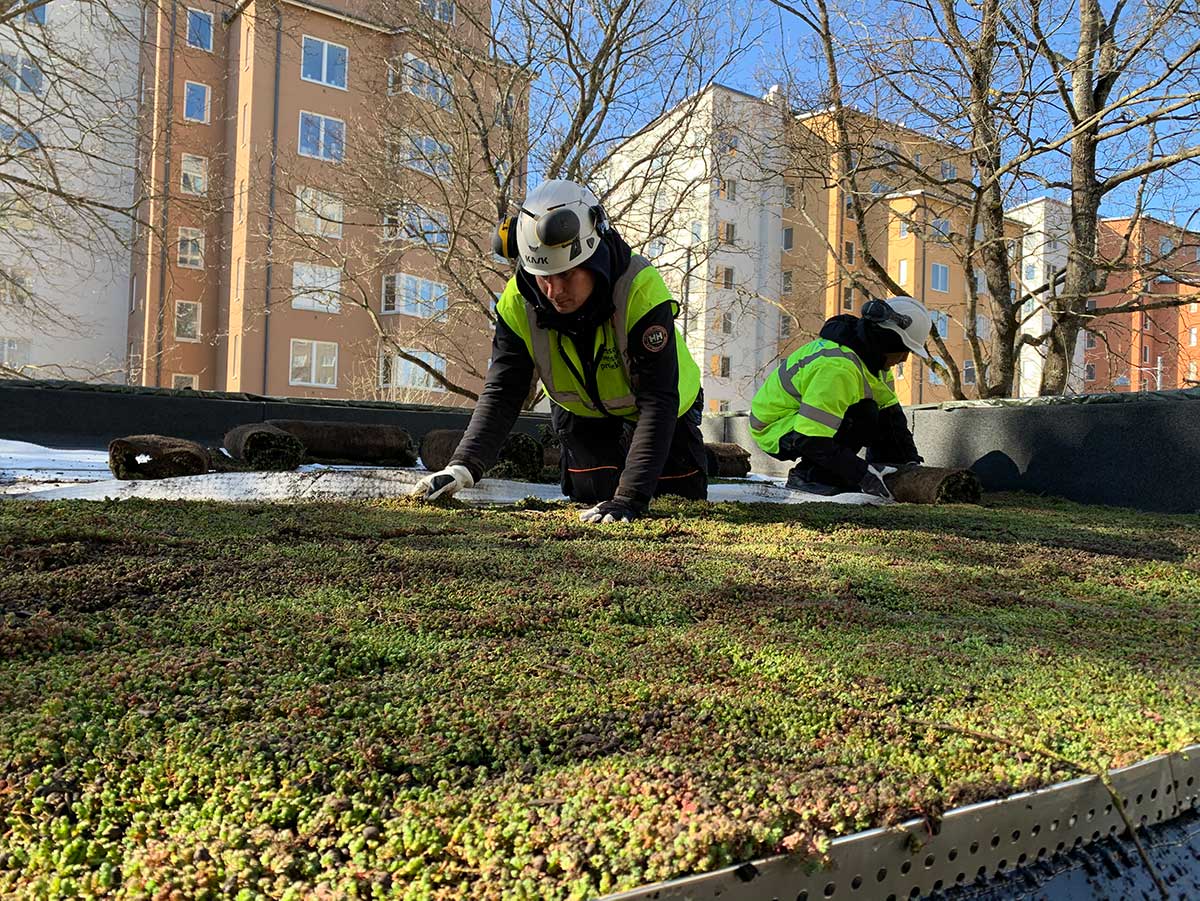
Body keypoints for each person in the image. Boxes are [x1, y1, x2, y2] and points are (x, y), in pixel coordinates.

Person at [411, 179, 708, 523]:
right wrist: (462, 467)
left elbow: (658, 400)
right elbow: (504, 391)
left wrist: (630, 498)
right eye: (543, 276)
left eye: (566, 274)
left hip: (665, 407)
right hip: (582, 414)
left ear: (593, 258)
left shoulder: (639, 288)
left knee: (677, 497)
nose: (554, 291)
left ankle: (701, 460)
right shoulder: (517, 303)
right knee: (594, 493)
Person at [749, 296, 931, 500]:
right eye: (904, 350)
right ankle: (810, 477)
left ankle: (881, 475)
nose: (904, 358)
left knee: (873, 412)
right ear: (887, 340)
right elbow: (810, 438)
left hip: (804, 425)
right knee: (862, 413)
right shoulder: (837, 367)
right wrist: (863, 474)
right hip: (775, 427)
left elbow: (891, 416)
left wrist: (908, 463)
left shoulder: (877, 363)